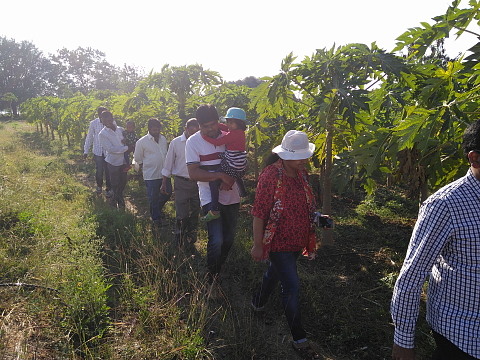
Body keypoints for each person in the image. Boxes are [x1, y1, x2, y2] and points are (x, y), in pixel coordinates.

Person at [391, 120, 480, 360]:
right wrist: (403, 342)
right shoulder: (445, 205)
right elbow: (412, 275)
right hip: (462, 335)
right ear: (475, 159)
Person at [250, 130, 324, 360]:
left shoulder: (302, 175)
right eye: (298, 156)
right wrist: (257, 245)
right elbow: (259, 213)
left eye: (305, 156)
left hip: (298, 239)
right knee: (291, 287)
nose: (303, 160)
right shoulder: (270, 175)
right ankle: (299, 340)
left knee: (274, 274)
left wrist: (319, 217)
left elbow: (306, 204)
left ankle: (257, 304)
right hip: (279, 241)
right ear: (284, 155)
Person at [186, 104, 240, 285]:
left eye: (212, 124)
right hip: (209, 195)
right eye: (205, 126)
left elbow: (241, 161)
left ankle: (219, 265)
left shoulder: (229, 137)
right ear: (199, 125)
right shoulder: (193, 142)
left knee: (229, 237)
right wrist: (219, 175)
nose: (210, 129)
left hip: (231, 193)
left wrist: (234, 174)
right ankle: (212, 279)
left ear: (218, 121)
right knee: (216, 239)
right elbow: (193, 173)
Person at [201, 107, 248, 222]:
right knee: (237, 174)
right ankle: (244, 193)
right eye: (228, 122)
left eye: (232, 122)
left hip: (233, 163)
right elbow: (225, 128)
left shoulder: (233, 134)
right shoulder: (238, 132)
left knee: (213, 179)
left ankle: (214, 209)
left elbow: (217, 142)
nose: (229, 125)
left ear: (239, 123)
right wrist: (216, 124)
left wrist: (205, 136)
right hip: (238, 162)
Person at [161, 118, 200, 247]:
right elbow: (168, 163)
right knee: (182, 213)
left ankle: (191, 233)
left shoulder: (201, 142)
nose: (193, 135)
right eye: (191, 132)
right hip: (181, 182)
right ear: (185, 129)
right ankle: (179, 236)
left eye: (196, 132)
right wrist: (164, 182)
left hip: (197, 183)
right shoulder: (176, 143)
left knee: (195, 210)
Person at [133, 118, 172, 226]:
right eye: (154, 129)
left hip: (164, 173)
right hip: (151, 174)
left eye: (158, 129)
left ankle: (157, 210)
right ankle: (156, 218)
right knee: (153, 196)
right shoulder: (141, 142)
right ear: (149, 129)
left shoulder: (163, 139)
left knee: (167, 193)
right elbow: (138, 158)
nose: (156, 131)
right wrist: (142, 169)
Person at [98, 111, 132, 208]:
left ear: (112, 118)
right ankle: (121, 204)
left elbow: (126, 141)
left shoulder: (121, 130)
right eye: (105, 121)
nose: (107, 122)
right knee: (115, 183)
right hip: (113, 162)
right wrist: (127, 148)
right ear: (102, 121)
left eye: (109, 120)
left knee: (123, 182)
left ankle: (113, 198)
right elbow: (111, 149)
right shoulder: (102, 134)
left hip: (123, 161)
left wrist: (130, 146)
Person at [83, 106, 113, 196]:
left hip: (108, 151)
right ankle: (99, 186)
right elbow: (89, 137)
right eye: (101, 115)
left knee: (108, 171)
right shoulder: (93, 123)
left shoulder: (111, 122)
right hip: (98, 151)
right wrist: (86, 151)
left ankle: (108, 189)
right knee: (99, 170)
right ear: (99, 115)